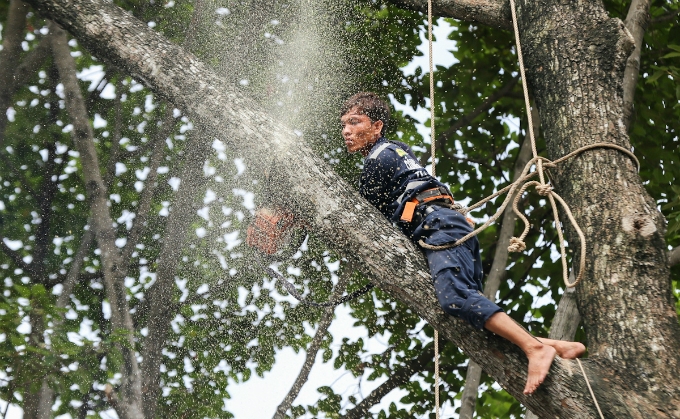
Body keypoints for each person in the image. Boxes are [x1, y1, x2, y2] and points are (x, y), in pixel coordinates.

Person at [340, 91, 585, 395]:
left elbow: (360, 210)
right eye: (343, 125)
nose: (346, 131)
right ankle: (552, 345)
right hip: (448, 226)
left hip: (438, 226)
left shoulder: (380, 157)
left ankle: (535, 349)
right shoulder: (398, 151)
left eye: (354, 122)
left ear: (377, 127)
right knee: (472, 312)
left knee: (454, 297)